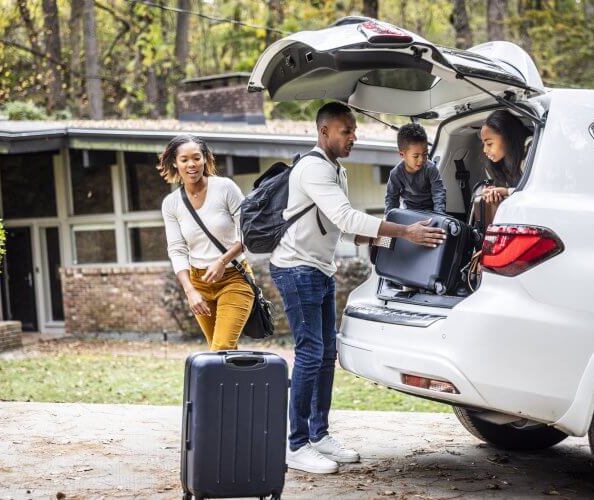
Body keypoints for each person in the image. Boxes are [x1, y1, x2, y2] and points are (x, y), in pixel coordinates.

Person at [270, 102, 446, 474]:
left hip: (319, 268)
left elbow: (345, 228)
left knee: (327, 351)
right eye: (345, 131)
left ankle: (318, 435)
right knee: (309, 352)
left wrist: (392, 245)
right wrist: (405, 231)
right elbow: (347, 217)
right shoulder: (313, 168)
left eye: (353, 129)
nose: (353, 136)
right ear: (324, 133)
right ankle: (295, 444)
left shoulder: (337, 170)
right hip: (295, 269)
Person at [159, 134, 254, 351]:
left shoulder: (225, 188)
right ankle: (233, 386)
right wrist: (190, 290)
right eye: (184, 159)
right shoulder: (171, 204)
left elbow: (249, 232)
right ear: (175, 162)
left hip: (234, 277)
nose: (191, 164)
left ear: (205, 159)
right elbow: (176, 249)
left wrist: (223, 261)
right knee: (219, 352)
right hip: (199, 282)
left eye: (196, 158)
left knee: (221, 348)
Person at [384, 122, 446, 215]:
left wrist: (439, 216)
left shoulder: (431, 168)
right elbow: (391, 199)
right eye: (416, 156)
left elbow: (439, 193)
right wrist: (389, 219)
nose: (421, 160)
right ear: (402, 154)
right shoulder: (396, 174)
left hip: (432, 211)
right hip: (410, 213)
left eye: (425, 154)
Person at [479, 109, 533, 205]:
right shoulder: (500, 163)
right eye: (483, 144)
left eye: (489, 143)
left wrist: (507, 191)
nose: (484, 150)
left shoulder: (531, 150)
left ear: (507, 136)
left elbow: (537, 193)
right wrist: (495, 191)